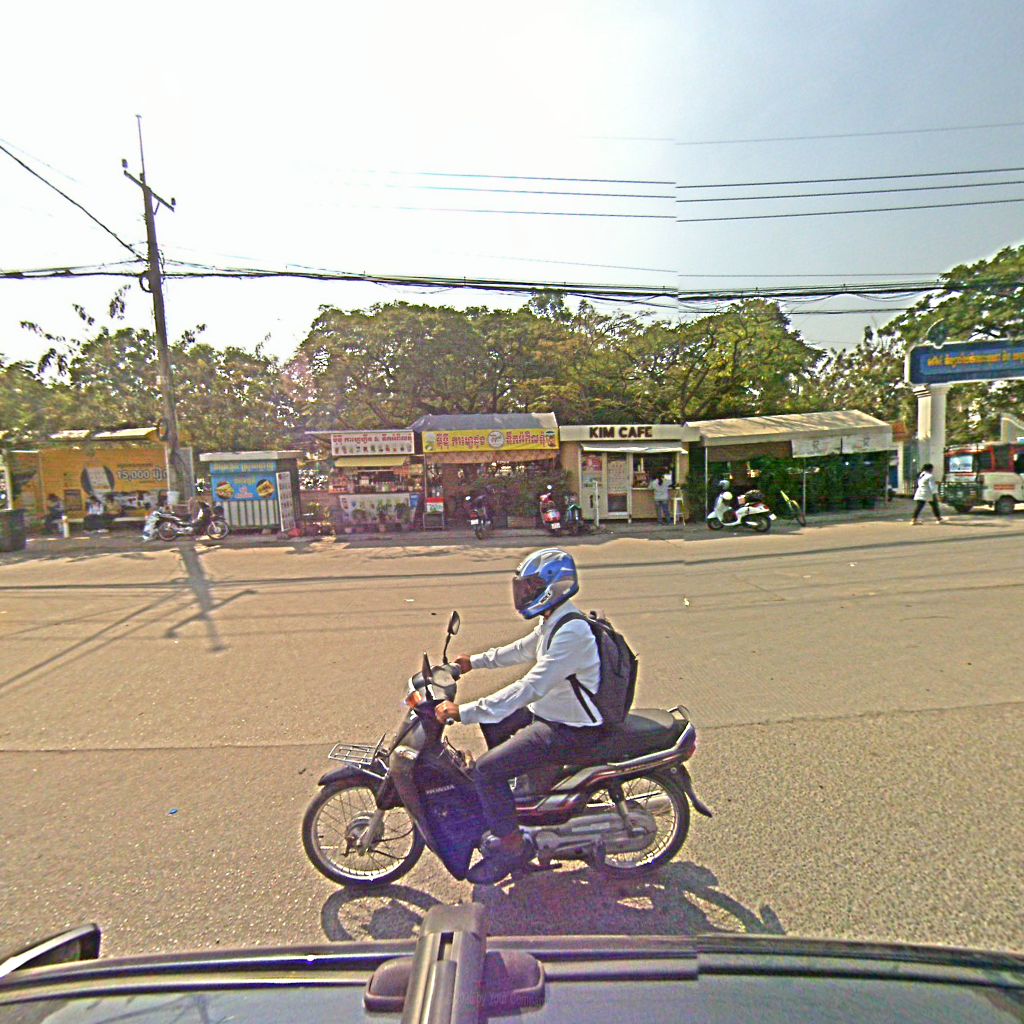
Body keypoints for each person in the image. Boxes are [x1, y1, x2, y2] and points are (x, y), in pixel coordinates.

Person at [434, 548, 603, 883]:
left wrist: (464, 711)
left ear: (556, 586)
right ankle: (513, 797)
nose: (525, 594)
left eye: (532, 588)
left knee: (485, 771)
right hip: (554, 712)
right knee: (494, 720)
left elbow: (530, 687)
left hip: (568, 728)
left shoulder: (572, 632)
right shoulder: (556, 619)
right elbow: (522, 649)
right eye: (524, 588)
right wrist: (473, 662)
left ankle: (513, 848)